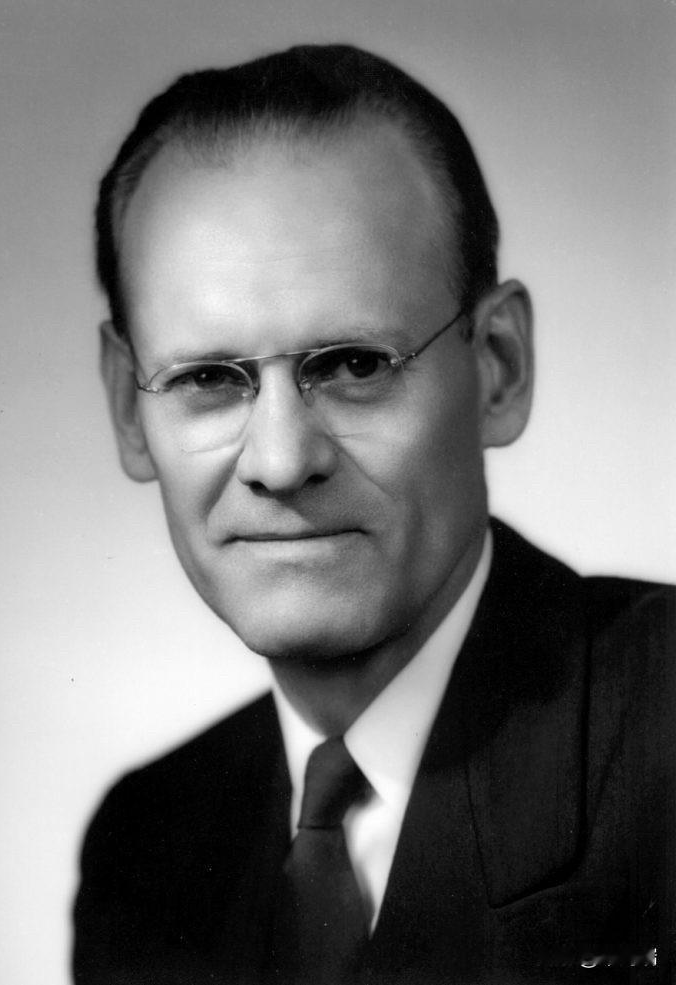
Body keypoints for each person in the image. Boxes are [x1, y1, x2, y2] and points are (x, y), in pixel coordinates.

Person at [72, 44, 674, 984]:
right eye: (207, 379)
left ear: (499, 366)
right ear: (127, 409)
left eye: (355, 364)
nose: (281, 461)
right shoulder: (147, 848)